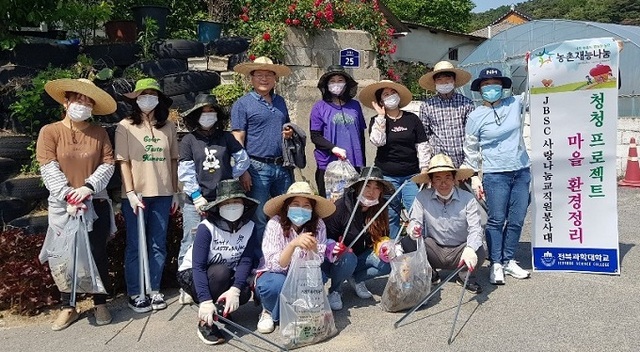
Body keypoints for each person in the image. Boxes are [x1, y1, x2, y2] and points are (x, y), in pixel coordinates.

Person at [36, 78, 117, 330]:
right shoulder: (50, 131)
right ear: (66, 101)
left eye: (88, 101)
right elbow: (48, 166)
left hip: (95, 202)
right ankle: (67, 306)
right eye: (78, 99)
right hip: (63, 206)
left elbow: (108, 163)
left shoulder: (99, 132)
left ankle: (100, 302)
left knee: (96, 253)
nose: (83, 104)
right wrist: (68, 195)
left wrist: (87, 188)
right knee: (63, 256)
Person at [177, 94, 250, 303]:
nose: (208, 116)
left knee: (221, 241)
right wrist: (196, 195)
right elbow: (185, 171)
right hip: (196, 201)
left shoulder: (226, 137)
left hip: (223, 200)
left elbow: (243, 159)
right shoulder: (189, 140)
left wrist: (231, 177)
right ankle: (187, 284)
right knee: (190, 240)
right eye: (203, 112)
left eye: (211, 112)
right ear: (196, 115)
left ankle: (219, 281)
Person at [115, 78, 180, 312]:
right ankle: (135, 292)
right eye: (143, 95)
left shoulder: (169, 127)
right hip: (136, 195)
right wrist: (130, 191)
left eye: (152, 94)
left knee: (157, 244)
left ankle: (154, 289)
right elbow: (122, 162)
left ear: (159, 99)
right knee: (135, 245)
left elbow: (173, 161)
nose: (147, 99)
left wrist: (175, 192)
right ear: (135, 99)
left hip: (162, 194)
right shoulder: (125, 126)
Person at [463, 67, 531, 285]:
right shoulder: (475, 116)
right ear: (480, 89)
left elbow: (538, 92)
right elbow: (471, 148)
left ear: (503, 87)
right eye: (486, 85)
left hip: (521, 170)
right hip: (495, 174)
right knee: (496, 219)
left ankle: (509, 259)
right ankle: (496, 263)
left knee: (517, 219)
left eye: (496, 84)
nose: (491, 88)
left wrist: (535, 66)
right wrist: (473, 175)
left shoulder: (514, 104)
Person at [176, 179, 259, 345]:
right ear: (218, 206)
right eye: (227, 202)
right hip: (194, 274)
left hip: (228, 271)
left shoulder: (250, 227)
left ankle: (222, 311)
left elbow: (245, 261)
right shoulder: (206, 228)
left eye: (236, 201)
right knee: (221, 272)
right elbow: (198, 267)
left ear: (244, 204)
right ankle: (205, 320)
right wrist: (205, 301)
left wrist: (234, 290)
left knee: (243, 291)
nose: (232, 206)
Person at [254, 182, 336, 334]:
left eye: (306, 206)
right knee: (274, 285)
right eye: (296, 204)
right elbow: (274, 264)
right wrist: (292, 245)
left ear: (312, 209)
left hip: (302, 274)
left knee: (318, 278)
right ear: (287, 207)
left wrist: (314, 249)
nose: (301, 209)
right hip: (277, 275)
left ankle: (294, 310)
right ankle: (269, 311)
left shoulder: (318, 225)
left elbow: (318, 260)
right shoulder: (275, 223)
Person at [231, 56, 294, 248]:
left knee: (286, 213)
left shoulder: (280, 102)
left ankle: (284, 254)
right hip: (257, 167)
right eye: (259, 74)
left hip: (282, 166)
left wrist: (289, 132)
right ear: (251, 78)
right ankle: (260, 262)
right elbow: (237, 138)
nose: (264, 79)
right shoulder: (242, 104)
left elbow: (286, 125)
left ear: (275, 78)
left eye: (268, 75)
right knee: (259, 217)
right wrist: (243, 170)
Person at [402, 154, 486, 294]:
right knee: (408, 242)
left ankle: (465, 276)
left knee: (479, 248)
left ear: (454, 179)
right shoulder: (422, 197)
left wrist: (470, 248)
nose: (443, 183)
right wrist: (414, 229)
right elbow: (414, 221)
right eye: (438, 178)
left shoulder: (468, 198)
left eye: (448, 177)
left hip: (460, 249)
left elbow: (475, 229)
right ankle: (430, 273)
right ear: (431, 181)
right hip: (435, 248)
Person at [360, 80, 429, 239]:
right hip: (387, 175)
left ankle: (419, 247)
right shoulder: (376, 121)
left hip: (411, 175)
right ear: (380, 101)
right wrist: (381, 117)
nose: (390, 96)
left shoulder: (412, 119)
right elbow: (377, 141)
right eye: (386, 94)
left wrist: (424, 169)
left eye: (393, 93)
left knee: (416, 211)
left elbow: (422, 144)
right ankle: (393, 248)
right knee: (391, 213)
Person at [323, 166, 395, 311]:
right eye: (367, 186)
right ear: (357, 187)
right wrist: (334, 246)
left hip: (363, 255)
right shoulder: (341, 206)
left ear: (381, 192)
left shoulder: (381, 207)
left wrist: (385, 246)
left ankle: (356, 279)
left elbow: (382, 235)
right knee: (349, 258)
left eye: (376, 188)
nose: (371, 192)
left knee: (388, 262)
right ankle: (335, 290)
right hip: (341, 258)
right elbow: (326, 237)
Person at [310, 65, 366, 197]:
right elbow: (315, 136)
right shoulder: (319, 107)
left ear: (346, 84)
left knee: (351, 205)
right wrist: (333, 148)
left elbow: (361, 135)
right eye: (332, 81)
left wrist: (362, 161)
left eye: (340, 80)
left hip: (352, 165)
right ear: (327, 85)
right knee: (330, 206)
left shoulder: (355, 106)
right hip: (328, 165)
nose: (336, 84)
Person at [418, 61, 474, 168]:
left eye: (448, 78)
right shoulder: (427, 106)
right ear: (435, 83)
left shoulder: (466, 103)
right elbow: (424, 135)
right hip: (439, 163)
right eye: (439, 79)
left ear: (454, 80)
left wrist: (469, 162)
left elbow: (471, 134)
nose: (444, 82)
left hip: (463, 163)